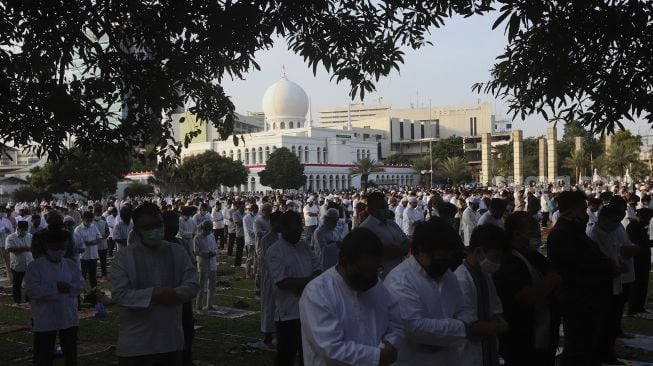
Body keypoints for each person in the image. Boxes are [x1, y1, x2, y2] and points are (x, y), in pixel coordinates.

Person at [110, 203, 199, 365]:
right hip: (135, 344)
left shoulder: (177, 251)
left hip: (170, 342)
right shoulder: (123, 257)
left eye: (158, 225)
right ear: (136, 230)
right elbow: (119, 294)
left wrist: (175, 294)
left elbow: (192, 284)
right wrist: (154, 294)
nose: (155, 231)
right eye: (148, 227)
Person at [300, 228, 403, 366]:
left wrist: (391, 343)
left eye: (376, 269)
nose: (370, 276)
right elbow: (331, 349)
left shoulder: (375, 284)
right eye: (364, 270)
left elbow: (395, 320)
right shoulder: (318, 293)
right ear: (344, 262)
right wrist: (378, 356)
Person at [384, 218, 476, 365]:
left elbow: (465, 310)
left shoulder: (448, 276)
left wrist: (449, 331)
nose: (446, 259)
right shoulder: (400, 280)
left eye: (448, 255)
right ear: (421, 250)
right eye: (441, 254)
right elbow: (415, 327)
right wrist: (461, 328)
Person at [547, 191, 613, 366]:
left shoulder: (576, 232)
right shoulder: (562, 234)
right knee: (578, 345)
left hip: (588, 296)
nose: (585, 213)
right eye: (582, 209)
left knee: (588, 343)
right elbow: (583, 263)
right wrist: (606, 266)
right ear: (570, 211)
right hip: (577, 297)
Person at [493, 212, 561, 366]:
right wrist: (549, 282)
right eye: (532, 230)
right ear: (517, 234)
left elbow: (555, 277)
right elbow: (525, 296)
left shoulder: (535, 256)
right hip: (522, 337)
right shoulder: (509, 261)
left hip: (544, 334)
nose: (538, 233)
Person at [266, 211, 322, 366]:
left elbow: (318, 268)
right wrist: (309, 283)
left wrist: (304, 284)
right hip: (288, 312)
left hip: (310, 310)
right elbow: (282, 282)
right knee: (286, 355)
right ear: (284, 229)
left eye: (300, 228)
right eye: (295, 229)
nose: (299, 232)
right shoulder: (275, 250)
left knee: (309, 354)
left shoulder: (303, 246)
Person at [587, 204, 638, 364]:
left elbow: (616, 251)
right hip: (603, 285)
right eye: (614, 220)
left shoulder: (611, 231)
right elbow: (595, 261)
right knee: (604, 325)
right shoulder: (593, 234)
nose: (616, 224)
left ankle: (607, 354)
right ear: (604, 218)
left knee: (612, 323)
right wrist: (614, 266)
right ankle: (601, 355)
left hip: (616, 284)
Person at [25, 229, 84, 366]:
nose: (59, 251)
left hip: (68, 316)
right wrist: (55, 288)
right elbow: (32, 291)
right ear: (47, 247)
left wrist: (69, 288)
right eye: (55, 248)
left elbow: (80, 285)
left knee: (70, 355)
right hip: (45, 318)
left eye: (62, 248)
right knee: (43, 356)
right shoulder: (35, 267)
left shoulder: (70, 264)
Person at [454, 224, 510, 366]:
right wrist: (500, 327)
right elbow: (472, 330)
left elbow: (496, 312)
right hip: (469, 356)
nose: (496, 263)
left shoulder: (485, 275)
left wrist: (493, 325)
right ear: (479, 251)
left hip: (489, 351)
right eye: (494, 257)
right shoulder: (461, 279)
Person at [162, 211, 195, 366]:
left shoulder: (180, 243)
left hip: (182, 295)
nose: (174, 227)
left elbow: (190, 267)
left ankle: (186, 358)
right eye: (171, 224)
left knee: (187, 329)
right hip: (164, 296)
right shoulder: (157, 246)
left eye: (176, 223)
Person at [360, 192, 409, 279]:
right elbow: (379, 251)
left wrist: (400, 249)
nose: (386, 209)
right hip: (383, 276)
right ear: (372, 209)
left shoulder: (391, 223)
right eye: (382, 207)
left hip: (400, 273)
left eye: (386, 206)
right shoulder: (366, 228)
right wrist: (399, 250)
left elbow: (406, 241)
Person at [258, 210, 282, 349]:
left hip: (280, 276)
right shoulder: (266, 239)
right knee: (268, 306)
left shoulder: (281, 236)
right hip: (270, 276)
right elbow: (267, 260)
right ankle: (267, 334)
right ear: (274, 223)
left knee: (279, 306)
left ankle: (279, 333)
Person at [628, 208, 652, 315]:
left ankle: (639, 306)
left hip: (643, 260)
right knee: (637, 285)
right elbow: (638, 243)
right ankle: (634, 307)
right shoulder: (633, 226)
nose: (648, 220)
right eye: (648, 218)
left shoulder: (639, 226)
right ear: (643, 216)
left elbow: (645, 242)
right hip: (638, 261)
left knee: (643, 285)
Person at [5, 220, 33, 303]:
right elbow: (10, 249)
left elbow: (33, 247)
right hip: (17, 265)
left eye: (26, 229)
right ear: (18, 228)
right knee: (17, 284)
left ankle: (28, 300)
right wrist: (26, 248)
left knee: (29, 284)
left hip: (29, 263)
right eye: (23, 229)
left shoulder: (30, 236)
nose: (24, 231)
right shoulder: (11, 237)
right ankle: (17, 301)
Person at [74, 211, 102, 289]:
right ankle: (81, 291)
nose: (90, 222)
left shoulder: (94, 226)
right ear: (83, 219)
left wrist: (95, 241)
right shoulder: (78, 229)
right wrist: (88, 243)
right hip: (83, 257)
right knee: (82, 275)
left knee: (93, 275)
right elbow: (77, 243)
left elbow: (99, 238)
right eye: (88, 220)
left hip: (93, 255)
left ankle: (94, 291)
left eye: (91, 220)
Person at [194, 220, 217, 311]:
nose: (208, 231)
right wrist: (207, 254)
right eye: (207, 230)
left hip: (212, 263)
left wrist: (214, 253)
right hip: (203, 264)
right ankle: (199, 306)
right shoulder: (197, 237)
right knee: (201, 286)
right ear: (203, 229)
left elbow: (215, 248)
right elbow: (196, 251)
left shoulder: (211, 236)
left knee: (212, 285)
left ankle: (210, 305)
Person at [93, 207, 110, 279]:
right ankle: (94, 274)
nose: (98, 215)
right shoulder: (91, 223)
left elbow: (108, 232)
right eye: (96, 213)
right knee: (94, 262)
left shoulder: (103, 221)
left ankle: (104, 274)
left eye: (99, 213)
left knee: (103, 261)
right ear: (94, 213)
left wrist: (104, 236)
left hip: (103, 244)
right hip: (94, 245)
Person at [243, 204, 258, 279]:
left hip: (257, 240)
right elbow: (249, 231)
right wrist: (258, 232)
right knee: (250, 258)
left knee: (257, 257)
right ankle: (247, 273)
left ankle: (255, 273)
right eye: (255, 211)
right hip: (250, 241)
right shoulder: (246, 218)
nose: (256, 212)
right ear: (251, 210)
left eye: (257, 211)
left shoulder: (257, 216)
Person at [232, 201, 246, 267]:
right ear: (239, 207)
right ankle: (237, 264)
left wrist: (243, 222)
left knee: (247, 250)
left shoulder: (245, 214)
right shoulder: (235, 214)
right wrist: (245, 222)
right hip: (239, 234)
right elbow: (237, 223)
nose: (243, 207)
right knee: (239, 250)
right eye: (242, 206)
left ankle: (247, 263)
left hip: (246, 234)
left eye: (244, 206)